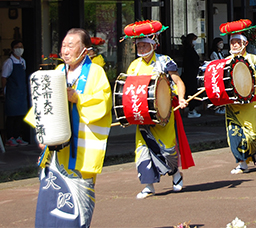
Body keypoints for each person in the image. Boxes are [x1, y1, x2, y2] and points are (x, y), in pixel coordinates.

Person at [28, 28, 112, 228]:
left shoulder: (95, 72)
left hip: (82, 151)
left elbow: (103, 103)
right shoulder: (57, 72)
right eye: (63, 45)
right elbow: (42, 106)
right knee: (50, 201)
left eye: (71, 45)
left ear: (85, 49)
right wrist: (42, 134)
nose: (65, 50)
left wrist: (77, 98)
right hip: (56, 152)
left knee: (76, 208)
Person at [122, 20, 194, 199]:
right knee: (142, 149)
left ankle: (176, 174)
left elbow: (178, 82)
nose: (142, 48)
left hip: (164, 112)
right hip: (142, 114)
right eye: (139, 45)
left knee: (167, 148)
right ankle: (148, 185)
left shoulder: (164, 61)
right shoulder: (134, 66)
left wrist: (182, 97)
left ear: (154, 44)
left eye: (145, 44)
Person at [217, 20, 256, 174]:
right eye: (232, 42)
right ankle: (242, 163)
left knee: (250, 134)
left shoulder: (254, 59)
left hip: (251, 102)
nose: (234, 45)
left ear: (244, 43)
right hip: (233, 103)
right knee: (234, 134)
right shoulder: (225, 62)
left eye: (238, 42)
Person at [1, 40, 29, 146]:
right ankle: (10, 137)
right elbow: (4, 77)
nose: (20, 49)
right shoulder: (9, 62)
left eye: (21, 47)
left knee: (20, 116)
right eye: (17, 47)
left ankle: (18, 137)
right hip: (12, 93)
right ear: (12, 49)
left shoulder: (23, 61)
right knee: (11, 116)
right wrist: (4, 90)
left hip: (21, 93)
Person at [181, 33, 201, 118]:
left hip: (190, 73)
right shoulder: (189, 50)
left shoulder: (189, 49)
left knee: (192, 91)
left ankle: (191, 109)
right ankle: (191, 110)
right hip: (190, 74)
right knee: (191, 91)